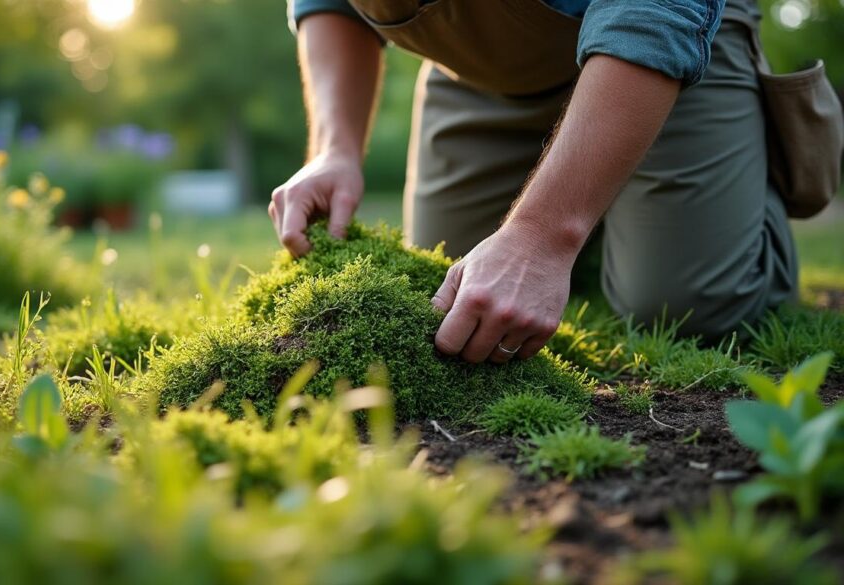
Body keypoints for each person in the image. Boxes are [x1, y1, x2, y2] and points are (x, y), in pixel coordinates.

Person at [268, 0, 797, 365]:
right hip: (481, 72)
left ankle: (740, 187)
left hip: (660, 42)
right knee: (446, 289)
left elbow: (653, 12)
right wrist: (334, 149)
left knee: (684, 307)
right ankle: (603, 220)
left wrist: (543, 237)